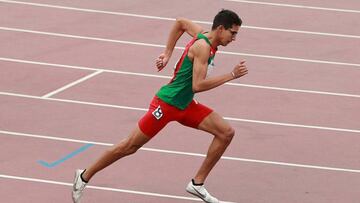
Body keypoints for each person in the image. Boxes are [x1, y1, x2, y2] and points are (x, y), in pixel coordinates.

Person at [72, 9, 247, 203]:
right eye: (233, 33)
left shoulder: (205, 35)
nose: (234, 38)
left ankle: (197, 184)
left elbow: (180, 22)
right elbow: (197, 85)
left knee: (226, 133)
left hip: (185, 105)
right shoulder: (202, 47)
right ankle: (84, 176)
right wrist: (231, 75)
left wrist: (167, 54)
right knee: (129, 146)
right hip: (167, 105)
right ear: (221, 28)